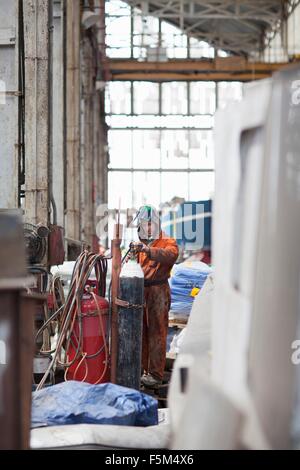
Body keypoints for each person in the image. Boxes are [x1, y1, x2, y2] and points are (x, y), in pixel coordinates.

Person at [130, 205, 179, 388]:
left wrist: (148, 251)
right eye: (143, 224)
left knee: (157, 333)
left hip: (158, 291)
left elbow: (171, 255)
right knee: (141, 332)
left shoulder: (166, 240)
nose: (146, 228)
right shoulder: (140, 245)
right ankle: (143, 371)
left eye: (149, 224)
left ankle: (156, 375)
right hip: (141, 291)